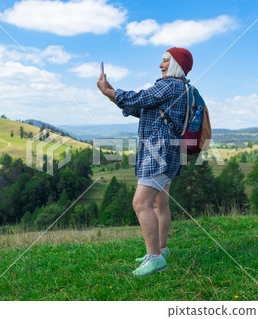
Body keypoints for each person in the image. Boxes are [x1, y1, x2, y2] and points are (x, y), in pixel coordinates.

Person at [97, 47, 193, 277]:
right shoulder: (182, 88)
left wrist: (110, 92)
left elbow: (140, 98)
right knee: (160, 203)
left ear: (176, 65)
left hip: (157, 152)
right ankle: (161, 249)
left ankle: (155, 258)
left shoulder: (169, 85)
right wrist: (111, 94)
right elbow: (141, 107)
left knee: (141, 203)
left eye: (165, 61)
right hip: (168, 153)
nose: (160, 65)